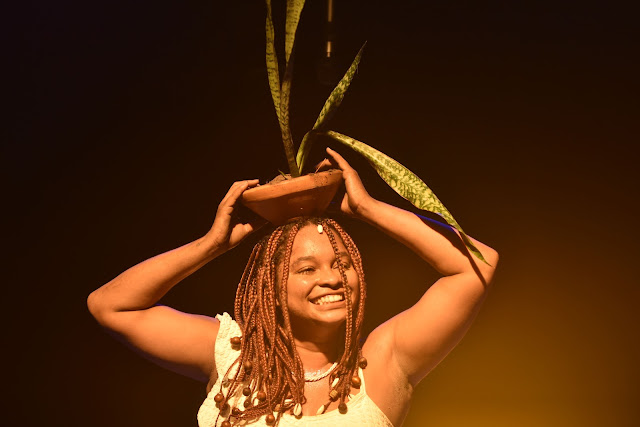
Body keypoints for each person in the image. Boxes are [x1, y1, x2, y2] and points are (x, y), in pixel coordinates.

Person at [87, 148, 499, 426]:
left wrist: (367, 208)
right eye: (306, 269)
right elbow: (110, 306)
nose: (331, 278)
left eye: (342, 264)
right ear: (271, 287)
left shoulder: (383, 362)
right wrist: (210, 245)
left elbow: (476, 266)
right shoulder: (231, 355)